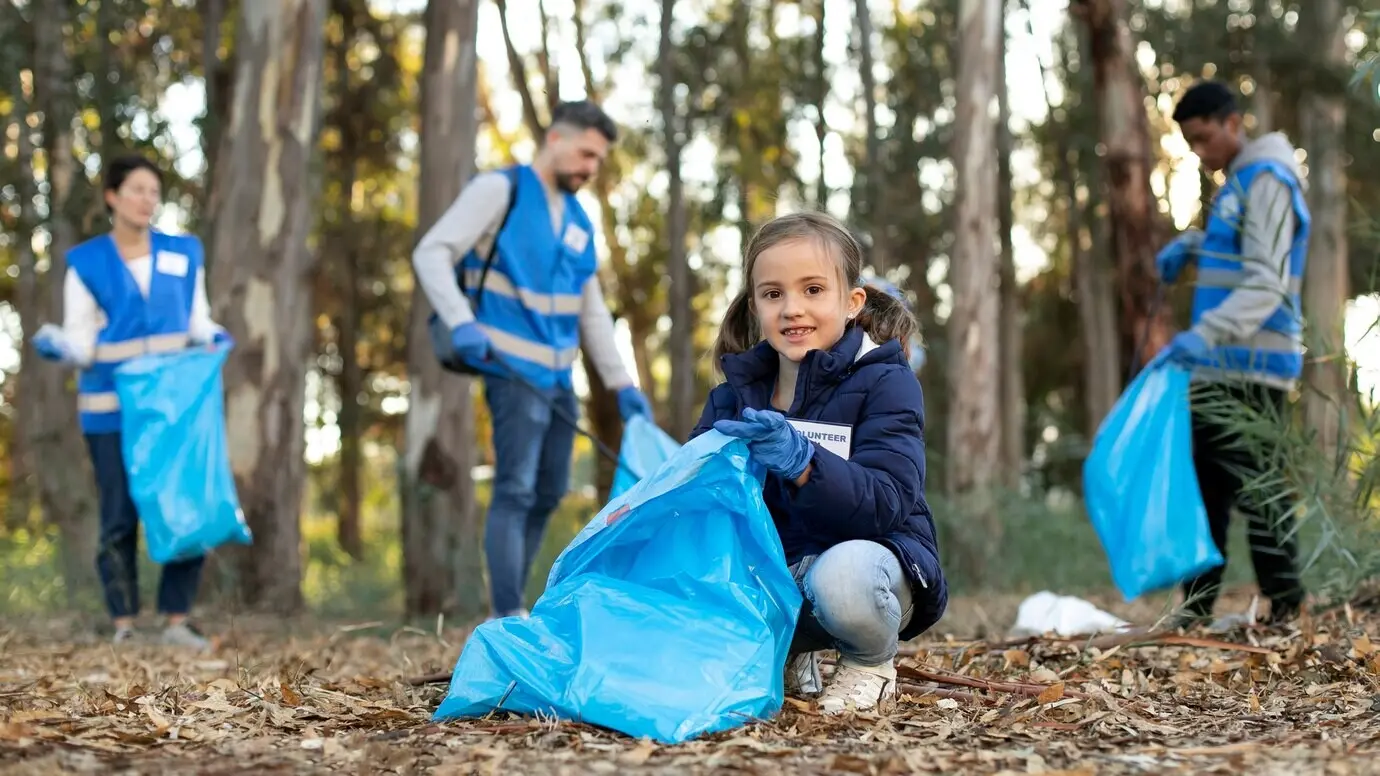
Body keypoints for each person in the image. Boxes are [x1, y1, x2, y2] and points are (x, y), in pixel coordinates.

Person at [689, 211, 947, 715]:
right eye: (773, 294)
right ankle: (790, 654)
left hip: (873, 568)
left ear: (851, 303)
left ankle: (869, 664)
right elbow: (702, 508)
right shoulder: (730, 398)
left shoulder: (887, 382)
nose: (792, 309)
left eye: (812, 290)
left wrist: (805, 463)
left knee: (842, 577)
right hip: (777, 574)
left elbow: (889, 502)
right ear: (755, 305)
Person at [412, 100, 652, 620]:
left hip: (558, 377)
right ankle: (506, 616)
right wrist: (460, 321)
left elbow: (591, 311)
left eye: (598, 160)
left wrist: (620, 383)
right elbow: (430, 252)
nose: (591, 168)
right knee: (516, 487)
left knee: (548, 492)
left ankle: (515, 606)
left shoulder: (580, 223)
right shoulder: (500, 190)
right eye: (586, 153)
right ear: (555, 140)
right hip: (509, 369)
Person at [31, 154, 229, 649]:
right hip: (109, 410)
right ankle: (124, 624)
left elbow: (197, 322)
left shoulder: (183, 253)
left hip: (172, 411)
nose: (148, 200)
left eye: (154, 192)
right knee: (118, 515)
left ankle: (177, 620)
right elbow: (82, 342)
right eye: (138, 189)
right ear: (112, 197)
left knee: (181, 508)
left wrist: (217, 337)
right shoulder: (87, 263)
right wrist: (58, 345)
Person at [1156, 80, 1310, 626]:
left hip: (1253, 367)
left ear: (1233, 123)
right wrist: (1199, 245)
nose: (1200, 152)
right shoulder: (1240, 184)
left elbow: (1267, 281)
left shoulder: (1267, 179)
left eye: (1204, 138)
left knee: (1259, 491)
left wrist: (1206, 333)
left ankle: (1288, 608)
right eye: (1191, 143)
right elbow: (1244, 257)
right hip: (1220, 366)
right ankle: (1197, 608)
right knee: (1207, 493)